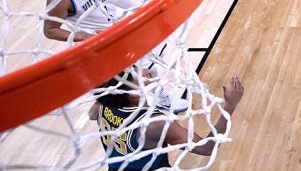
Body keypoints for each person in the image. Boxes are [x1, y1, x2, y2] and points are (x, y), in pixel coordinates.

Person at [44, 0, 188, 113]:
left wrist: (139, 10)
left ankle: (159, 101)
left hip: (119, 32)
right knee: (128, 82)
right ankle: (124, 113)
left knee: (148, 67)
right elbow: (50, 30)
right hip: (99, 46)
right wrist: (82, 36)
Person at [94, 71, 244, 170]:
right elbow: (207, 148)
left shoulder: (102, 104)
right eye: (136, 74)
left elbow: (92, 113)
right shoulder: (155, 123)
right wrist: (230, 106)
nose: (140, 72)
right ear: (133, 95)